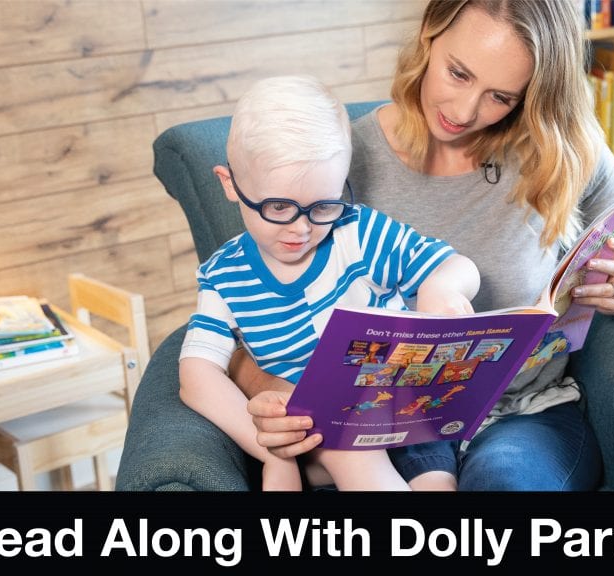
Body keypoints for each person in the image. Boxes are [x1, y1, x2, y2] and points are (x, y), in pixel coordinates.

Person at [234, 0, 614, 491]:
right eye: (458, 73)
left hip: (523, 416)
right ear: (430, 31)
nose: (466, 112)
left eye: (501, 96)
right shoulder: (340, 162)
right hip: (388, 429)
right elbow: (242, 319)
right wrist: (275, 395)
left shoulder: (562, 151)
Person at [178, 75, 480, 491]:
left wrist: (440, 288)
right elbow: (196, 375)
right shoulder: (222, 276)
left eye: (322, 205)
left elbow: (459, 266)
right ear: (230, 184)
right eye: (279, 206)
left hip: (405, 424)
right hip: (317, 440)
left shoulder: (359, 233)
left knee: (436, 485)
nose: (301, 229)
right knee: (344, 445)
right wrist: (270, 448)